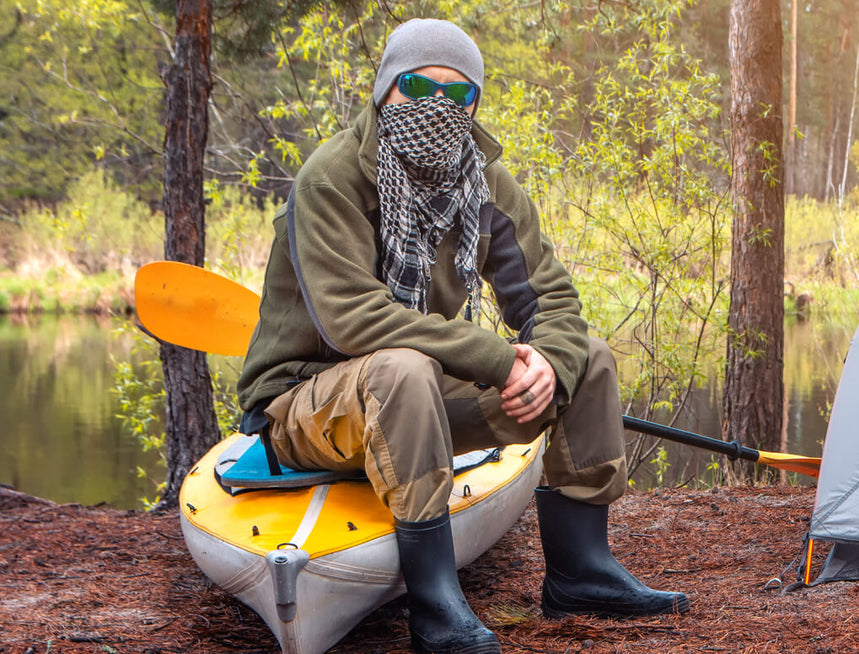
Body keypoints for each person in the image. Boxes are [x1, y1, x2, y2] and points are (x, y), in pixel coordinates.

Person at [236, 18, 688, 654]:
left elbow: (552, 299)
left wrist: (548, 367)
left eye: (459, 94)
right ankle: (436, 607)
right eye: (419, 85)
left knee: (589, 356)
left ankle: (582, 573)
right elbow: (355, 321)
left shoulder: (483, 182)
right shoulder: (331, 179)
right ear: (385, 88)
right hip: (303, 402)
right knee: (401, 368)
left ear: (475, 104)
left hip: (411, 398)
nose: (438, 106)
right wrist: (498, 359)